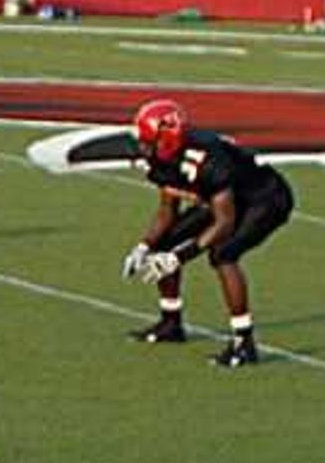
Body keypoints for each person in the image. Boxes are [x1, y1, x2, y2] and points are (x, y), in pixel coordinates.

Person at [121, 96, 284, 367]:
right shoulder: (163, 158)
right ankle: (171, 323)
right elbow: (167, 211)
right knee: (165, 241)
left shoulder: (209, 160)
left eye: (148, 141)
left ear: (167, 141)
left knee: (223, 254)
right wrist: (145, 245)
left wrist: (178, 258)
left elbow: (224, 224)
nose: (142, 147)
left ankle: (244, 343)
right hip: (224, 199)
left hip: (265, 198)